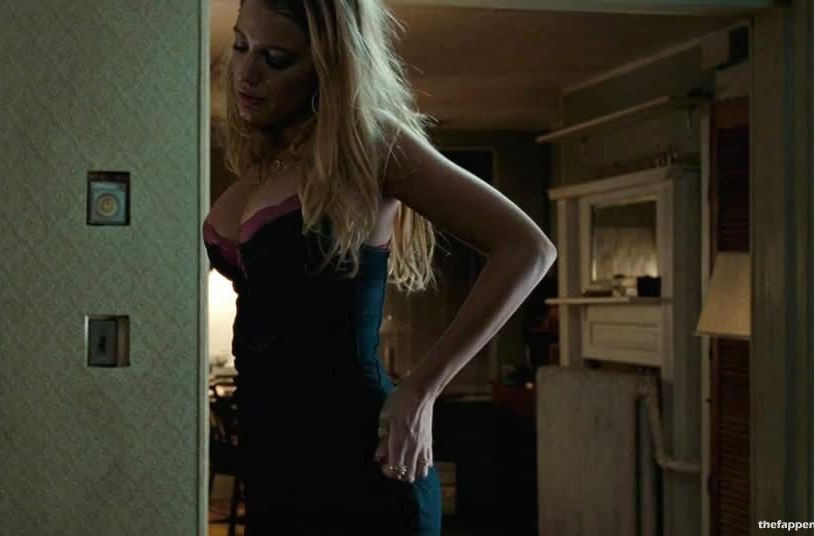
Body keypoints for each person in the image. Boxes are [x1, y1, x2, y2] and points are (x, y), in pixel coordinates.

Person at [203, 0, 557, 533]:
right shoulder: (266, 156)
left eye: (276, 58)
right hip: (275, 462)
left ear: (330, 64)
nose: (246, 73)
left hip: (361, 462)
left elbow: (528, 249)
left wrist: (423, 388)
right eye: (240, 46)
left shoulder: (372, 143)